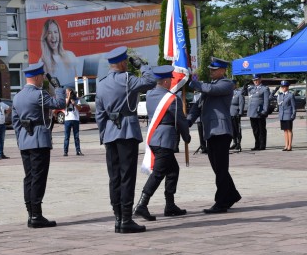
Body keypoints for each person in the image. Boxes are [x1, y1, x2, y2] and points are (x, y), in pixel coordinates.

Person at [95, 46, 156, 234]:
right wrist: (142, 66)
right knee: (127, 177)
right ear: (123, 62)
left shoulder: (101, 83)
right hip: (127, 132)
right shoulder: (128, 79)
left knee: (114, 178)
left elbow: (99, 113)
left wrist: (104, 134)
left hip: (110, 135)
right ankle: (127, 219)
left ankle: (118, 218)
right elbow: (151, 81)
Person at [133, 65, 191, 221]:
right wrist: (187, 137)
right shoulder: (172, 99)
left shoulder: (150, 94)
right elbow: (181, 121)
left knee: (173, 170)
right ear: (166, 81)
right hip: (165, 139)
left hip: (153, 137)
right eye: (170, 80)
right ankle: (141, 205)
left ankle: (170, 205)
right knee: (158, 173)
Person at [12, 61, 66, 228]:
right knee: (38, 178)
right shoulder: (39, 94)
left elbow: (15, 122)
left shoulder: (17, 96)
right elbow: (60, 104)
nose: (43, 78)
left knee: (29, 177)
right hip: (39, 140)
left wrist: (21, 138)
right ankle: (37, 215)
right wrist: (58, 87)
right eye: (42, 75)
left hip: (24, 140)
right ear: (36, 77)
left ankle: (31, 213)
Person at [187, 57, 241, 214]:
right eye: (210, 69)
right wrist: (188, 121)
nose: (211, 71)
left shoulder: (226, 84)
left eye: (214, 69)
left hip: (221, 131)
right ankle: (232, 195)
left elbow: (210, 90)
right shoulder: (209, 86)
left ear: (223, 70)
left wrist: (191, 80)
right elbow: (197, 106)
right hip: (210, 131)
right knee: (217, 167)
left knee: (221, 168)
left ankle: (221, 202)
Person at [39, 19, 79, 88]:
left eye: (55, 32)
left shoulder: (70, 55)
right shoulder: (42, 62)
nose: (53, 36)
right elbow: (45, 89)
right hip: (56, 98)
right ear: (45, 37)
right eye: (49, 33)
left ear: (59, 34)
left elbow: (77, 82)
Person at [247, 74, 270, 151]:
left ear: (260, 79)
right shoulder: (251, 89)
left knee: (261, 130)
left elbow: (266, 101)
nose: (255, 81)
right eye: (254, 80)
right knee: (255, 130)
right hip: (252, 112)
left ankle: (262, 145)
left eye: (256, 80)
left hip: (260, 112)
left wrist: (264, 111)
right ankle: (257, 144)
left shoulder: (264, 89)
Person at [63, 87, 82, 156]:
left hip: (75, 119)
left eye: (68, 92)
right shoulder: (65, 99)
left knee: (76, 136)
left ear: (71, 92)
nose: (66, 93)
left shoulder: (77, 100)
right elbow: (65, 105)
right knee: (66, 137)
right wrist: (68, 97)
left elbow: (80, 108)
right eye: (66, 92)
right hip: (67, 119)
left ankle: (78, 151)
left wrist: (75, 104)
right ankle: (65, 152)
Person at [277, 81, 296, 151]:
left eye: (284, 87)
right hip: (282, 115)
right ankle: (286, 145)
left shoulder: (290, 95)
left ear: (287, 87)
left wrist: (293, 115)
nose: (283, 88)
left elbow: (293, 106)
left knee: (289, 130)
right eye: (282, 87)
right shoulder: (280, 95)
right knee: (285, 130)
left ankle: (290, 145)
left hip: (288, 115)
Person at [229, 80, 244, 150]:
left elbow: (241, 103)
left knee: (237, 129)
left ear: (235, 85)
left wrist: (240, 112)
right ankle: (234, 142)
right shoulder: (228, 93)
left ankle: (238, 143)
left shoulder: (239, 93)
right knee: (232, 130)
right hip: (229, 114)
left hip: (236, 113)